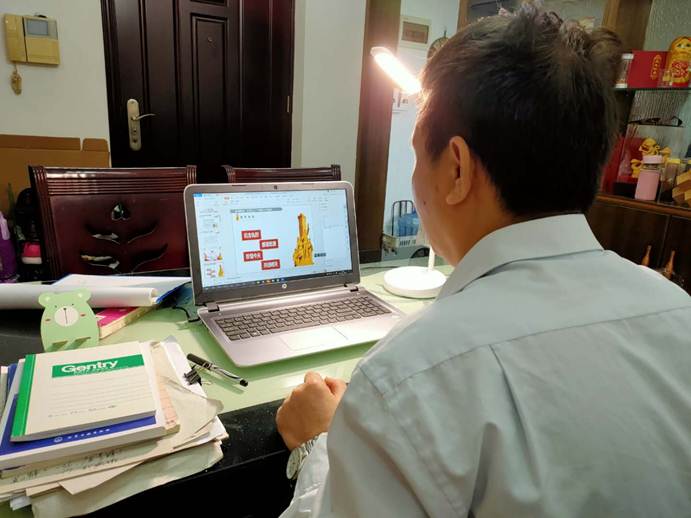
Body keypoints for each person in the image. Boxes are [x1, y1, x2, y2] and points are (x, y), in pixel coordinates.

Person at [276, 5, 691, 517]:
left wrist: (318, 443)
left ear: (456, 169)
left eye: (416, 155)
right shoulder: (678, 312)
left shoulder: (406, 379)